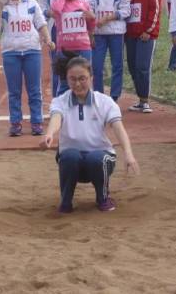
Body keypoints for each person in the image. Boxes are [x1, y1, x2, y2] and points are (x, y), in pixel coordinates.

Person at [40, 56, 140, 213]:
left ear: (91, 78)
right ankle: (65, 202)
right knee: (68, 155)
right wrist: (49, 134)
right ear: (67, 79)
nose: (78, 84)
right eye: (72, 79)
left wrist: (128, 154)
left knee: (96, 158)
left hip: (100, 159)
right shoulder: (60, 101)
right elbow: (56, 118)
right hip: (72, 161)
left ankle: (103, 198)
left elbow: (119, 128)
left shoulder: (105, 102)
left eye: (82, 79)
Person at [0, 0, 54, 137]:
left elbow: (41, 24)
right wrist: (1, 7)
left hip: (32, 50)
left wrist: (48, 39)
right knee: (14, 90)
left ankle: (36, 122)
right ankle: (15, 123)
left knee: (34, 89)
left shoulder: (31, 3)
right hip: (11, 53)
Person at [39, 0, 87, 97]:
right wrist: (51, 13)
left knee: (81, 66)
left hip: (78, 32)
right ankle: (58, 100)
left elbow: (87, 4)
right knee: (59, 67)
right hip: (57, 30)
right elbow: (41, 9)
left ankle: (79, 99)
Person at [88, 0, 131, 102]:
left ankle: (114, 97)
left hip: (116, 32)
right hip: (98, 33)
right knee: (97, 66)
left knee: (117, 65)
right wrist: (93, 25)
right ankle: (98, 95)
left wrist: (107, 18)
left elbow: (126, 10)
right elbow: (88, 7)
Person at [125, 0, 160, 113]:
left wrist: (149, 31)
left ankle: (145, 100)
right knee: (132, 67)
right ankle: (140, 99)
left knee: (142, 67)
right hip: (130, 34)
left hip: (146, 35)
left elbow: (155, 10)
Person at [51, 0, 95, 96]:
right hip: (65, 49)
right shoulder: (59, 2)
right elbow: (57, 9)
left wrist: (91, 18)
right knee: (65, 81)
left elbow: (91, 24)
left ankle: (85, 109)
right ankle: (60, 110)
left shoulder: (84, 4)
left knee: (85, 80)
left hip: (83, 47)